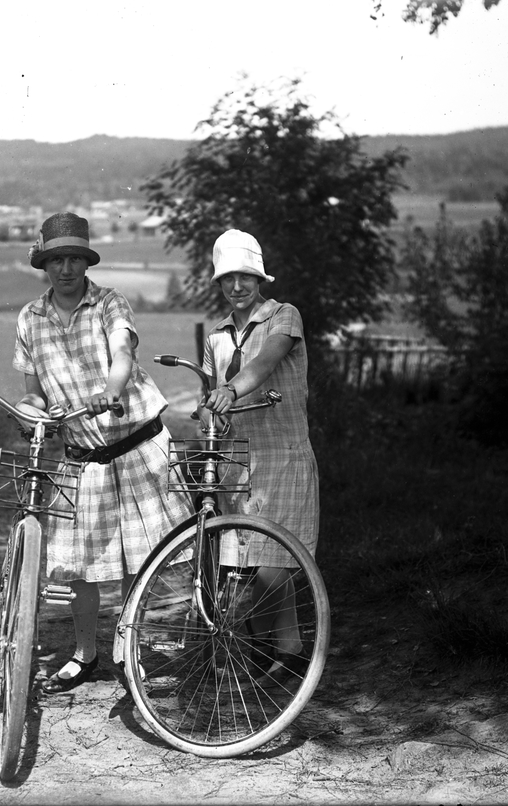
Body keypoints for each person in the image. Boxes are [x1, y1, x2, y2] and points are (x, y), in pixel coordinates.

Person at [13, 212, 194, 693]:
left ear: (86, 262)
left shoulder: (110, 303)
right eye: (56, 260)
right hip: (83, 456)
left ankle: (131, 647)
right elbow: (33, 390)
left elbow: (122, 354)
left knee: (142, 558)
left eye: (74, 259)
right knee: (78, 564)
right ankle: (85, 653)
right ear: (44, 264)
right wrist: (30, 410)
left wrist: (110, 391)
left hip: (137, 447)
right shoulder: (30, 318)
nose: (66, 269)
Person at [197, 228, 320, 682]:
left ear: (259, 278)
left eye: (245, 277)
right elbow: (209, 397)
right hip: (238, 464)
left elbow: (263, 364)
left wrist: (229, 391)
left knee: (273, 565)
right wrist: (209, 411)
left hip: (282, 457)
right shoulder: (216, 336)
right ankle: (284, 649)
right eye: (228, 279)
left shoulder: (283, 317)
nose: (237, 286)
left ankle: (259, 637)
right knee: (251, 565)